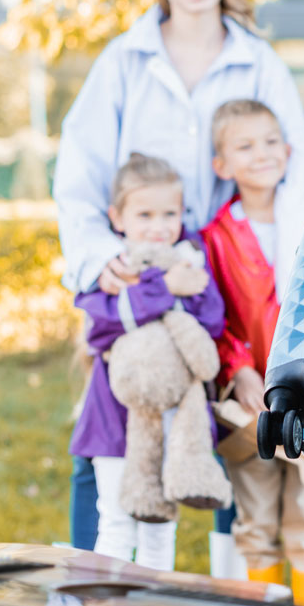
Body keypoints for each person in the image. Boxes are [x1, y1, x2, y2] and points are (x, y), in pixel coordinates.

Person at [52, 0, 304, 566]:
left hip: (230, 272)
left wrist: (295, 289)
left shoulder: (257, 61)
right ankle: (91, 585)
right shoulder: (124, 61)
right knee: (113, 432)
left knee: (232, 432)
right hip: (142, 273)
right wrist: (99, 260)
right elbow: (80, 174)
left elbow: (300, 173)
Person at [201, 99, 304, 606]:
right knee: (255, 512)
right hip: (248, 400)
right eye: (245, 145)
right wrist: (238, 369)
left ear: (289, 149)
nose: (262, 154)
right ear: (221, 165)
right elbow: (215, 317)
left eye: (270, 141)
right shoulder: (215, 237)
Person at [68, 153, 225, 569]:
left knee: (159, 525)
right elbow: (101, 326)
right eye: (145, 214)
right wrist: (164, 288)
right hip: (114, 417)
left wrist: (184, 284)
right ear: (117, 217)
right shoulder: (113, 268)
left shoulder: (189, 260)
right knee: (117, 521)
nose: (158, 226)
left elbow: (211, 323)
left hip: (172, 415)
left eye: (169, 213)